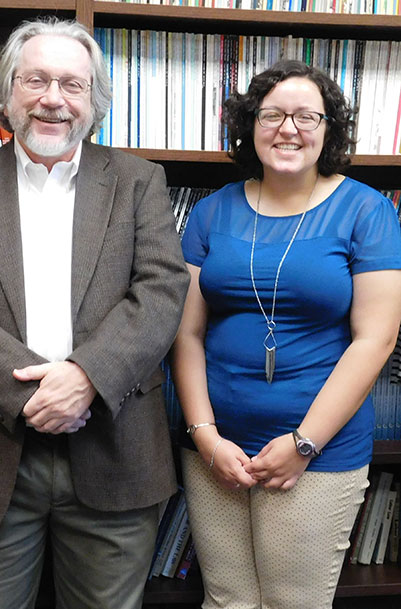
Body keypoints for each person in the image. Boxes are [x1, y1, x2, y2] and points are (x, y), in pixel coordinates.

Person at [0, 17, 189, 609]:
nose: (53, 100)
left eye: (72, 85)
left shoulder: (140, 183)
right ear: (7, 93)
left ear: (95, 100)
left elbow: (161, 291)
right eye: (35, 81)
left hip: (115, 446)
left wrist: (84, 378)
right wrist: (32, 394)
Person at [171, 59, 401, 609]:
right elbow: (185, 335)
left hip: (316, 454)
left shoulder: (367, 210)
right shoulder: (210, 211)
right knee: (227, 601)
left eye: (306, 116)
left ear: (329, 130)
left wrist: (303, 444)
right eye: (272, 115)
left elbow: (377, 339)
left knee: (293, 602)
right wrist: (205, 438)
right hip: (215, 451)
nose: (289, 129)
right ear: (250, 126)